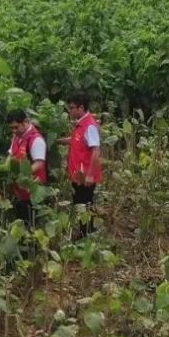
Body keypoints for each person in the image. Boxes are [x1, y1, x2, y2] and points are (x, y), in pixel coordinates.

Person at [58, 94, 102, 237]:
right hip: (78, 175)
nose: (69, 112)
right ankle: (85, 233)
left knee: (84, 205)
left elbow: (96, 150)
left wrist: (89, 175)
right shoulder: (81, 124)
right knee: (81, 203)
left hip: (85, 177)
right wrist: (57, 141)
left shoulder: (89, 126)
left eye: (71, 108)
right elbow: (76, 140)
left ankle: (86, 236)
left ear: (81, 107)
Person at [6, 109, 47, 225]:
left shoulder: (36, 139)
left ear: (25, 122)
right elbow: (11, 154)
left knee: (31, 223)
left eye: (16, 127)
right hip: (20, 190)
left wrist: (21, 175)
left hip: (33, 190)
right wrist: (5, 168)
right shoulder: (17, 136)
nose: (14, 131)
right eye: (11, 128)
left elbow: (39, 164)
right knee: (21, 222)